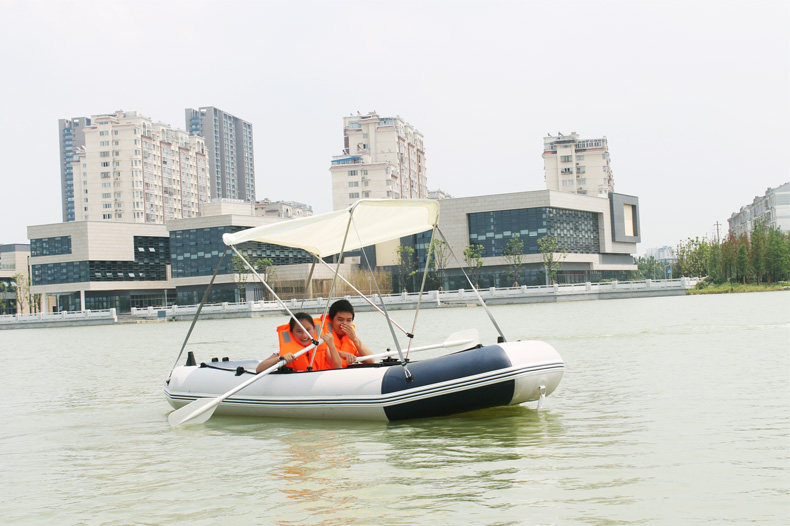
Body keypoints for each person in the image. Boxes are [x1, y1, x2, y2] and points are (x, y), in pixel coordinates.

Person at [256, 312, 342, 373]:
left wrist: (331, 345)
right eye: (299, 331)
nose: (304, 335)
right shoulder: (282, 352)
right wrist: (280, 358)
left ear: (314, 329)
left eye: (308, 330)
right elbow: (259, 369)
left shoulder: (323, 347)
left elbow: (338, 367)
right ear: (292, 332)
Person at [321, 299, 373, 366]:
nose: (344, 323)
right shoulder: (320, 332)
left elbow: (371, 360)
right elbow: (323, 353)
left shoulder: (351, 339)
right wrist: (343, 354)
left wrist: (355, 339)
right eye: (340, 320)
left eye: (348, 320)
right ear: (331, 319)